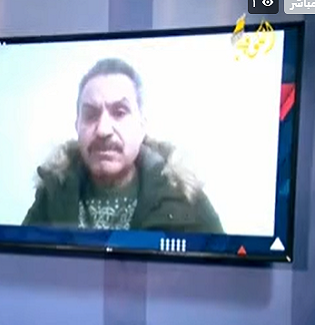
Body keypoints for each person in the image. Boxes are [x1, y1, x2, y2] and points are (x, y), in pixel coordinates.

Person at [22, 58, 223, 233]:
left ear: (142, 126)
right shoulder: (52, 195)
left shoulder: (184, 197)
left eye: (119, 112)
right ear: (77, 126)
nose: (103, 130)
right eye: (90, 114)